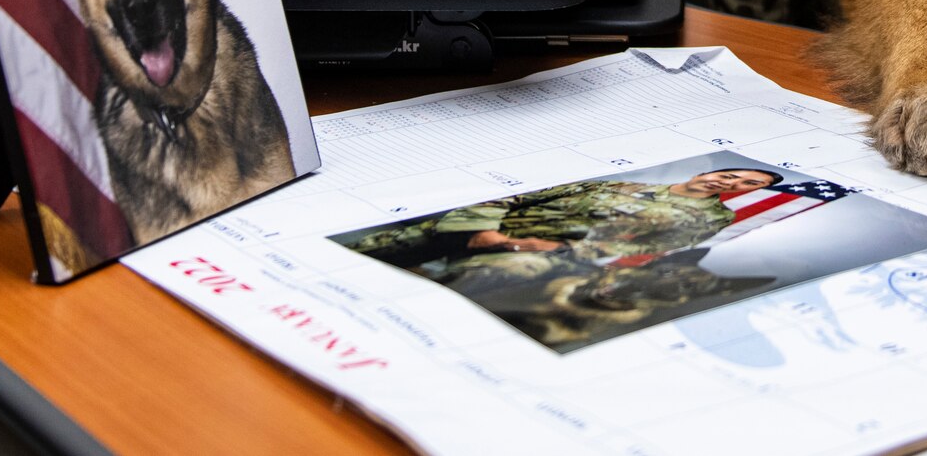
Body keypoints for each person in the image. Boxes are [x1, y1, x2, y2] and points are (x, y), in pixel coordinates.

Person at [335, 167, 784, 270]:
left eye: (744, 184)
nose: (727, 181)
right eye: (730, 172)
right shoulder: (627, 184)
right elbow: (523, 195)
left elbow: (619, 247)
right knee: (355, 257)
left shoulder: (706, 219)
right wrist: (480, 229)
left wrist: (514, 246)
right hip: (464, 229)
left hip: (524, 255)